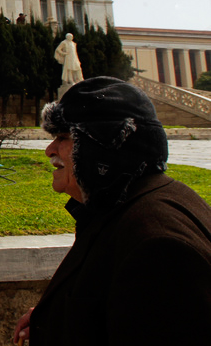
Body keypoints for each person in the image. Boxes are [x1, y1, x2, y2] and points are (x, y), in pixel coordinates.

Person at [12, 77, 211, 346]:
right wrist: (54, 319)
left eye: (62, 137)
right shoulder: (120, 204)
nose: (49, 150)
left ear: (102, 146)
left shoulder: (158, 247)